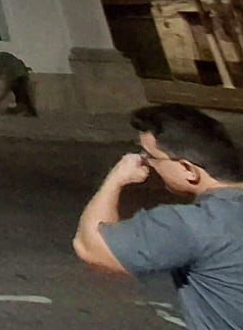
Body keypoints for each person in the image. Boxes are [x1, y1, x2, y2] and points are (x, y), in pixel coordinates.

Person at [73, 104, 243, 329]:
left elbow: (91, 247)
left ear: (188, 170)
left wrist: (117, 178)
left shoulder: (193, 224)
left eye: (151, 157)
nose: (146, 163)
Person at [0, 46, 37, 116]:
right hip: (23, 75)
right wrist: (25, 68)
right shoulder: (8, 55)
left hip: (16, 77)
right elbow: (19, 61)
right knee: (24, 93)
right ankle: (31, 111)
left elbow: (0, 72)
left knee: (19, 93)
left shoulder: (0, 58)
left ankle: (21, 110)